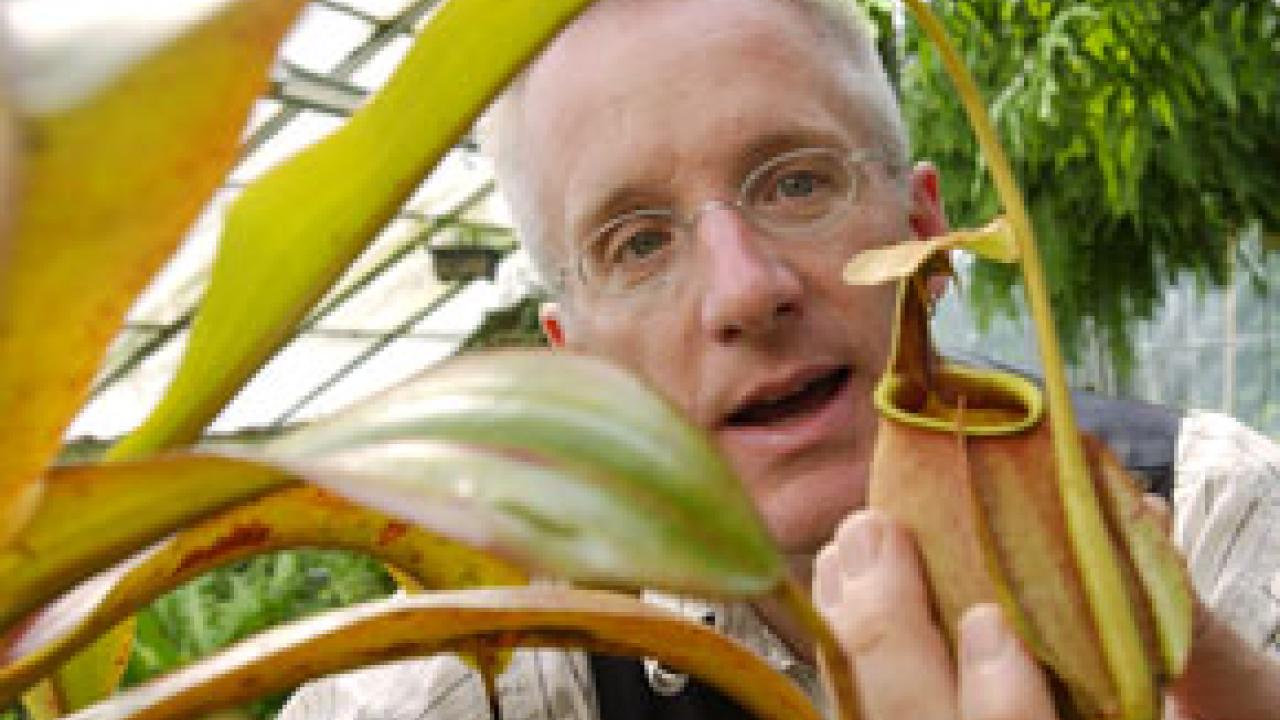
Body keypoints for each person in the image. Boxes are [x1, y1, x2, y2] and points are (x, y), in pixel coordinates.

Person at [280, 1, 1280, 718]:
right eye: (636, 243)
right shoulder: (512, 663)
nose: (745, 290)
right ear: (579, 372)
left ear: (926, 238)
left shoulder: (1199, 514)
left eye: (797, 183)